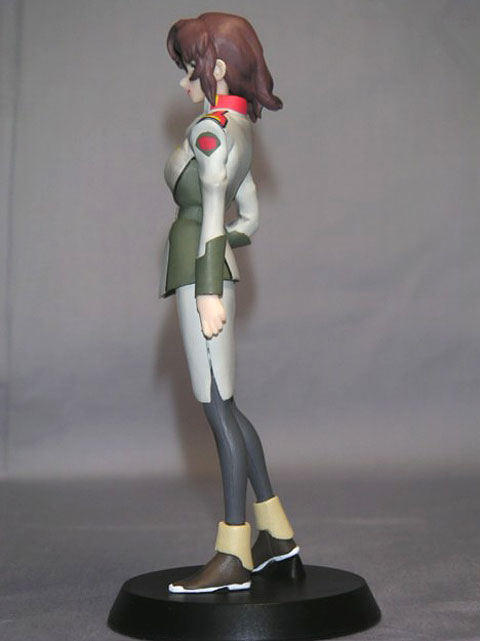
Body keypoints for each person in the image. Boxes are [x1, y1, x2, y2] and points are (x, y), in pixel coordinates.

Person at [161, 12, 300, 593]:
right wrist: (220, 263)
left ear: (216, 68)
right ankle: (277, 534)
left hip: (201, 280)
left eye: (189, 67)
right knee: (228, 407)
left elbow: (217, 213)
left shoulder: (210, 131)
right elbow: (250, 219)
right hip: (212, 271)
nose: (184, 82)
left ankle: (233, 551)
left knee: (217, 410)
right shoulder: (238, 129)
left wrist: (207, 289)